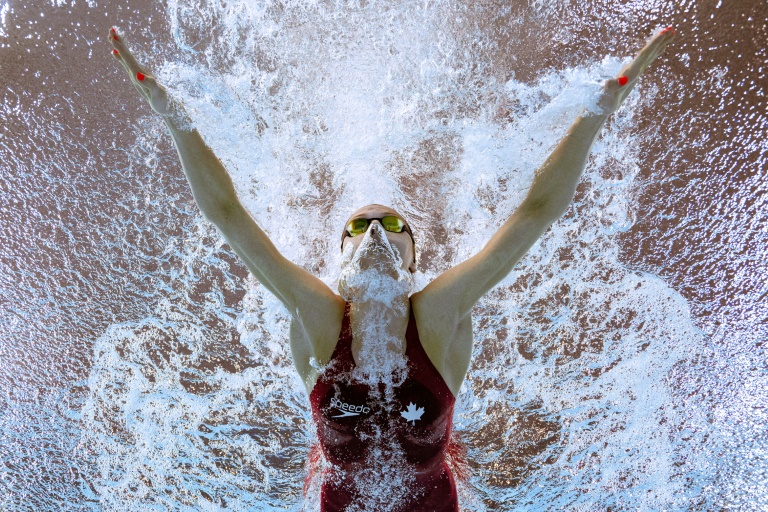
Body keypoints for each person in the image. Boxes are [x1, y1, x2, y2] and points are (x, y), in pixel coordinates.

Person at [107, 25, 675, 511]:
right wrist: (169, 110)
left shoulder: (439, 314)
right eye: (357, 226)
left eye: (390, 224)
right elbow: (229, 215)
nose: (374, 231)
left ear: (413, 256)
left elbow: (534, 214)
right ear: (341, 256)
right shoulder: (319, 317)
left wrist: (607, 97)